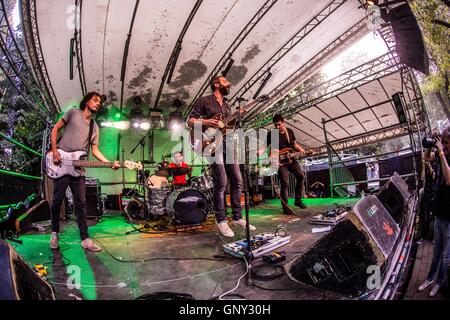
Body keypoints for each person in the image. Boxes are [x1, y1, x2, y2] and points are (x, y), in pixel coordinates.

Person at [49, 92, 120, 252]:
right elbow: (55, 130)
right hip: (61, 161)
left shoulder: (94, 126)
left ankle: (85, 239)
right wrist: (54, 150)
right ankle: (54, 233)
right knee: (56, 201)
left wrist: (109, 164)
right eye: (95, 100)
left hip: (78, 169)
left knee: (81, 204)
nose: (97, 103)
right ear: (87, 101)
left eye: (99, 102)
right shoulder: (73, 112)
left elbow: (94, 150)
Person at [188, 76, 255, 237]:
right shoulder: (204, 101)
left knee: (238, 181)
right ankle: (221, 220)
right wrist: (207, 122)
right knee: (222, 182)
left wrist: (238, 116)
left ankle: (238, 217)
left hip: (228, 144)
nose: (229, 83)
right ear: (216, 84)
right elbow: (190, 121)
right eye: (225, 81)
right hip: (211, 145)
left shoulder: (227, 105)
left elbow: (227, 127)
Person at [417, 127, 450, 297]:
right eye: (442, 141)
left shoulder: (445, 155)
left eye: (446, 142)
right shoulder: (441, 152)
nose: (443, 145)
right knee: (436, 251)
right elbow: (426, 158)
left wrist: (442, 154)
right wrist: (431, 145)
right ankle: (430, 278)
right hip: (439, 212)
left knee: (445, 255)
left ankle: (439, 282)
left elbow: (448, 178)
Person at [259, 114, 307, 214]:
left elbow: (294, 145)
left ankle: (298, 200)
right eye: (275, 125)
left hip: (290, 159)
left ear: (283, 122)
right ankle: (285, 207)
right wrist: (259, 151)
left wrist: (302, 150)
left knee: (301, 176)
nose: (277, 127)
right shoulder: (272, 134)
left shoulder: (289, 132)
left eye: (279, 124)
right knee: (285, 184)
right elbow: (265, 146)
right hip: (280, 162)